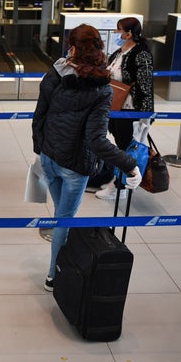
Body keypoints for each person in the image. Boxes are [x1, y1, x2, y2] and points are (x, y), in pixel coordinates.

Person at [32, 23, 142, 291]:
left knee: (61, 215)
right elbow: (96, 140)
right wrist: (130, 166)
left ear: (72, 47)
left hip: (50, 157)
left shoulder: (55, 72)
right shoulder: (102, 88)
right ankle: (53, 275)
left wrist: (41, 148)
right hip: (74, 165)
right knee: (65, 220)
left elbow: (39, 116)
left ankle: (61, 261)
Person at [95, 17, 155, 201]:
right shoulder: (120, 52)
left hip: (131, 110)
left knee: (127, 148)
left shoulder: (141, 54)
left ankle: (120, 187)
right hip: (116, 107)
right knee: (121, 146)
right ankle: (117, 179)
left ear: (129, 33)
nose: (116, 33)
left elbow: (145, 85)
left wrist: (145, 115)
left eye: (118, 30)